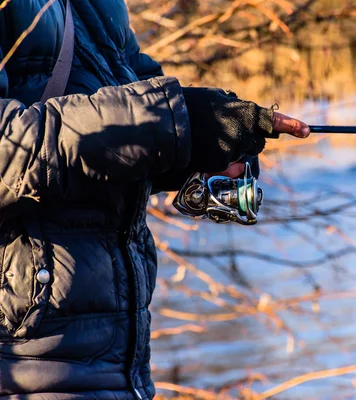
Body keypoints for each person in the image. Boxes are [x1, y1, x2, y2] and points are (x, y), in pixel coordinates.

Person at [0, 1, 309, 398]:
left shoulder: (97, 7)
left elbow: (124, 130)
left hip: (123, 364)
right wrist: (170, 122)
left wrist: (202, 139)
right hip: (24, 365)